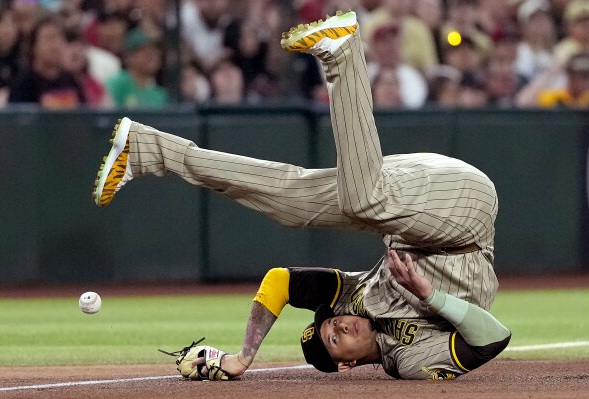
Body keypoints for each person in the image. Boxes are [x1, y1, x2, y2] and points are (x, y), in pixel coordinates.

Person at [92, 11, 511, 380]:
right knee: (293, 203)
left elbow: (280, 282)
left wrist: (242, 357)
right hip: (459, 223)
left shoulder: (354, 301)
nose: (340, 326)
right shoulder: (407, 360)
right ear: (345, 365)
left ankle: (343, 52)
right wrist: (429, 297)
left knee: (364, 198)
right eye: (334, 338)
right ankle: (147, 150)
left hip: (436, 198)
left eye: (332, 324)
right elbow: (493, 337)